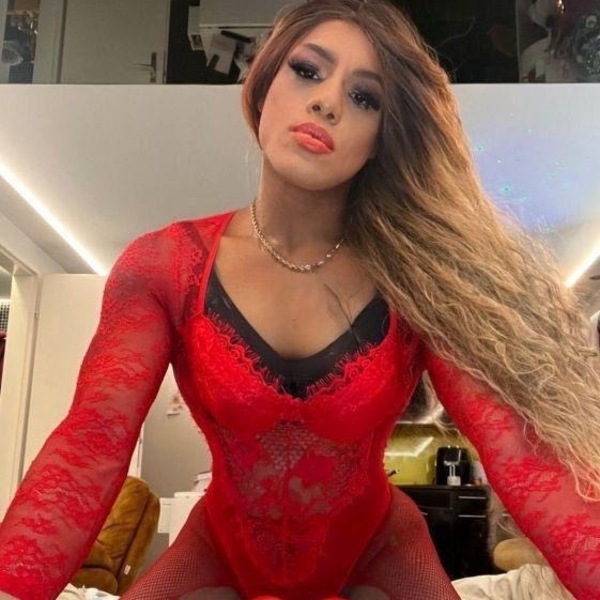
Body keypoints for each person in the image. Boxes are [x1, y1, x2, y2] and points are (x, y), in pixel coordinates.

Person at [1, 0, 599, 599]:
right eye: (308, 70)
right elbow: (91, 443)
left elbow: (518, 455)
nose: (327, 102)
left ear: (381, 139)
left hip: (378, 552)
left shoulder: (419, 281)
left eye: (364, 97)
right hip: (221, 550)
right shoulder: (164, 265)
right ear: (264, 84)